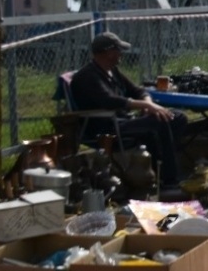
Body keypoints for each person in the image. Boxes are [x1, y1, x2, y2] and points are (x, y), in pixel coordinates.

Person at [68, 31, 189, 193]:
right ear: (108, 52)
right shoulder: (88, 76)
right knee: (160, 121)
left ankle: (160, 166)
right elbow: (109, 100)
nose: (121, 54)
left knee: (178, 117)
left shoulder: (112, 71)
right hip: (105, 127)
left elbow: (138, 90)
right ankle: (169, 180)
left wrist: (148, 104)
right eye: (118, 50)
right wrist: (148, 107)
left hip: (123, 121)